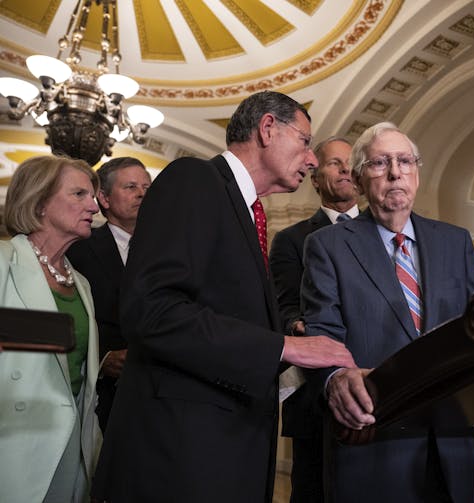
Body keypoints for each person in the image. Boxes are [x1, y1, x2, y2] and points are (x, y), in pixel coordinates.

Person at [91, 91, 355, 502]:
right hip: (179, 459)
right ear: (268, 128)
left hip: (222, 452)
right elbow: (152, 311)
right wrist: (284, 346)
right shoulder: (194, 179)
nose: (313, 160)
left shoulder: (248, 212)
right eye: (305, 141)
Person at [300, 122, 474, 502]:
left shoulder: (456, 242)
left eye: (404, 161)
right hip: (372, 437)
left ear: (416, 172)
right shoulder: (327, 246)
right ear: (358, 179)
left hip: (451, 437)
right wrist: (336, 379)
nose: (396, 172)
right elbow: (322, 333)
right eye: (380, 163)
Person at [0, 155, 101, 502]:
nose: (94, 206)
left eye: (93, 196)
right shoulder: (2, 263)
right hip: (13, 444)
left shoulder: (83, 284)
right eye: (79, 195)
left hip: (72, 443)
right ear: (40, 202)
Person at [269, 137, 359, 502]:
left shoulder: (383, 232)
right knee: (314, 489)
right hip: (316, 391)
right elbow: (285, 306)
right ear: (315, 178)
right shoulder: (291, 240)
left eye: (351, 163)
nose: (345, 170)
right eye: (334, 163)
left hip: (379, 381)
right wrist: (298, 327)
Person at [67, 156, 151, 432]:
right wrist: (102, 359)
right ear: (103, 198)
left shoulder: (172, 252)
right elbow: (68, 319)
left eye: (147, 187)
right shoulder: (77, 249)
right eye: (130, 187)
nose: (142, 193)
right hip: (102, 399)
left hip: (158, 397)